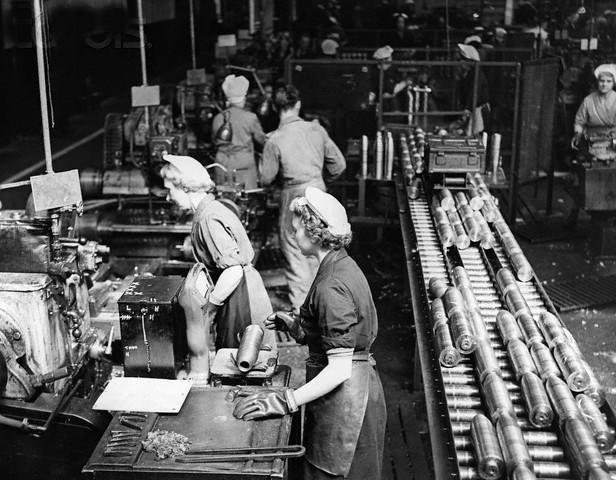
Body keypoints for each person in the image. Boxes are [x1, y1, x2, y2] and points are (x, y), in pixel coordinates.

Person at [233, 187, 387, 480]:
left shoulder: (331, 286)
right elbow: (345, 331)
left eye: (296, 229)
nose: (293, 235)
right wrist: (298, 327)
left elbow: (340, 368)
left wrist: (285, 400)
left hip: (347, 403)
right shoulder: (341, 264)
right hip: (357, 389)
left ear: (313, 231)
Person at [160, 154, 276, 358]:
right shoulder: (210, 210)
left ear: (185, 187)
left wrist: (209, 309)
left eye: (170, 189)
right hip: (240, 291)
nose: (168, 197)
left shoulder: (209, 218)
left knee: (241, 360)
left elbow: (233, 270)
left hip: (242, 297)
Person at [260, 85, 346, 312]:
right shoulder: (317, 130)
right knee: (319, 247)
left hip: (293, 194)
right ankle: (323, 305)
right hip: (318, 190)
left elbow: (266, 178)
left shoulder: (274, 139)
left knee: (295, 251)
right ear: (298, 104)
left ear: (275, 108)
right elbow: (339, 165)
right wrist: (320, 181)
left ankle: (303, 313)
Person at [211, 74, 266, 190]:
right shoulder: (250, 117)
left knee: (224, 202)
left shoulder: (217, 118)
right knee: (246, 202)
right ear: (244, 97)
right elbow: (262, 141)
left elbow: (214, 141)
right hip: (243, 167)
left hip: (222, 165)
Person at [572, 63, 616, 157]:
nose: (604, 84)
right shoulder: (588, 100)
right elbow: (579, 122)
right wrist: (577, 134)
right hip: (592, 141)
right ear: (597, 82)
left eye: (609, 81)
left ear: (613, 83)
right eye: (602, 81)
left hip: (613, 140)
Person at [455, 43, 490, 135]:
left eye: (461, 60)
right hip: (472, 109)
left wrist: (468, 108)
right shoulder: (468, 74)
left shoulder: (476, 74)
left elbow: (474, 92)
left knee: (475, 136)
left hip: (478, 111)